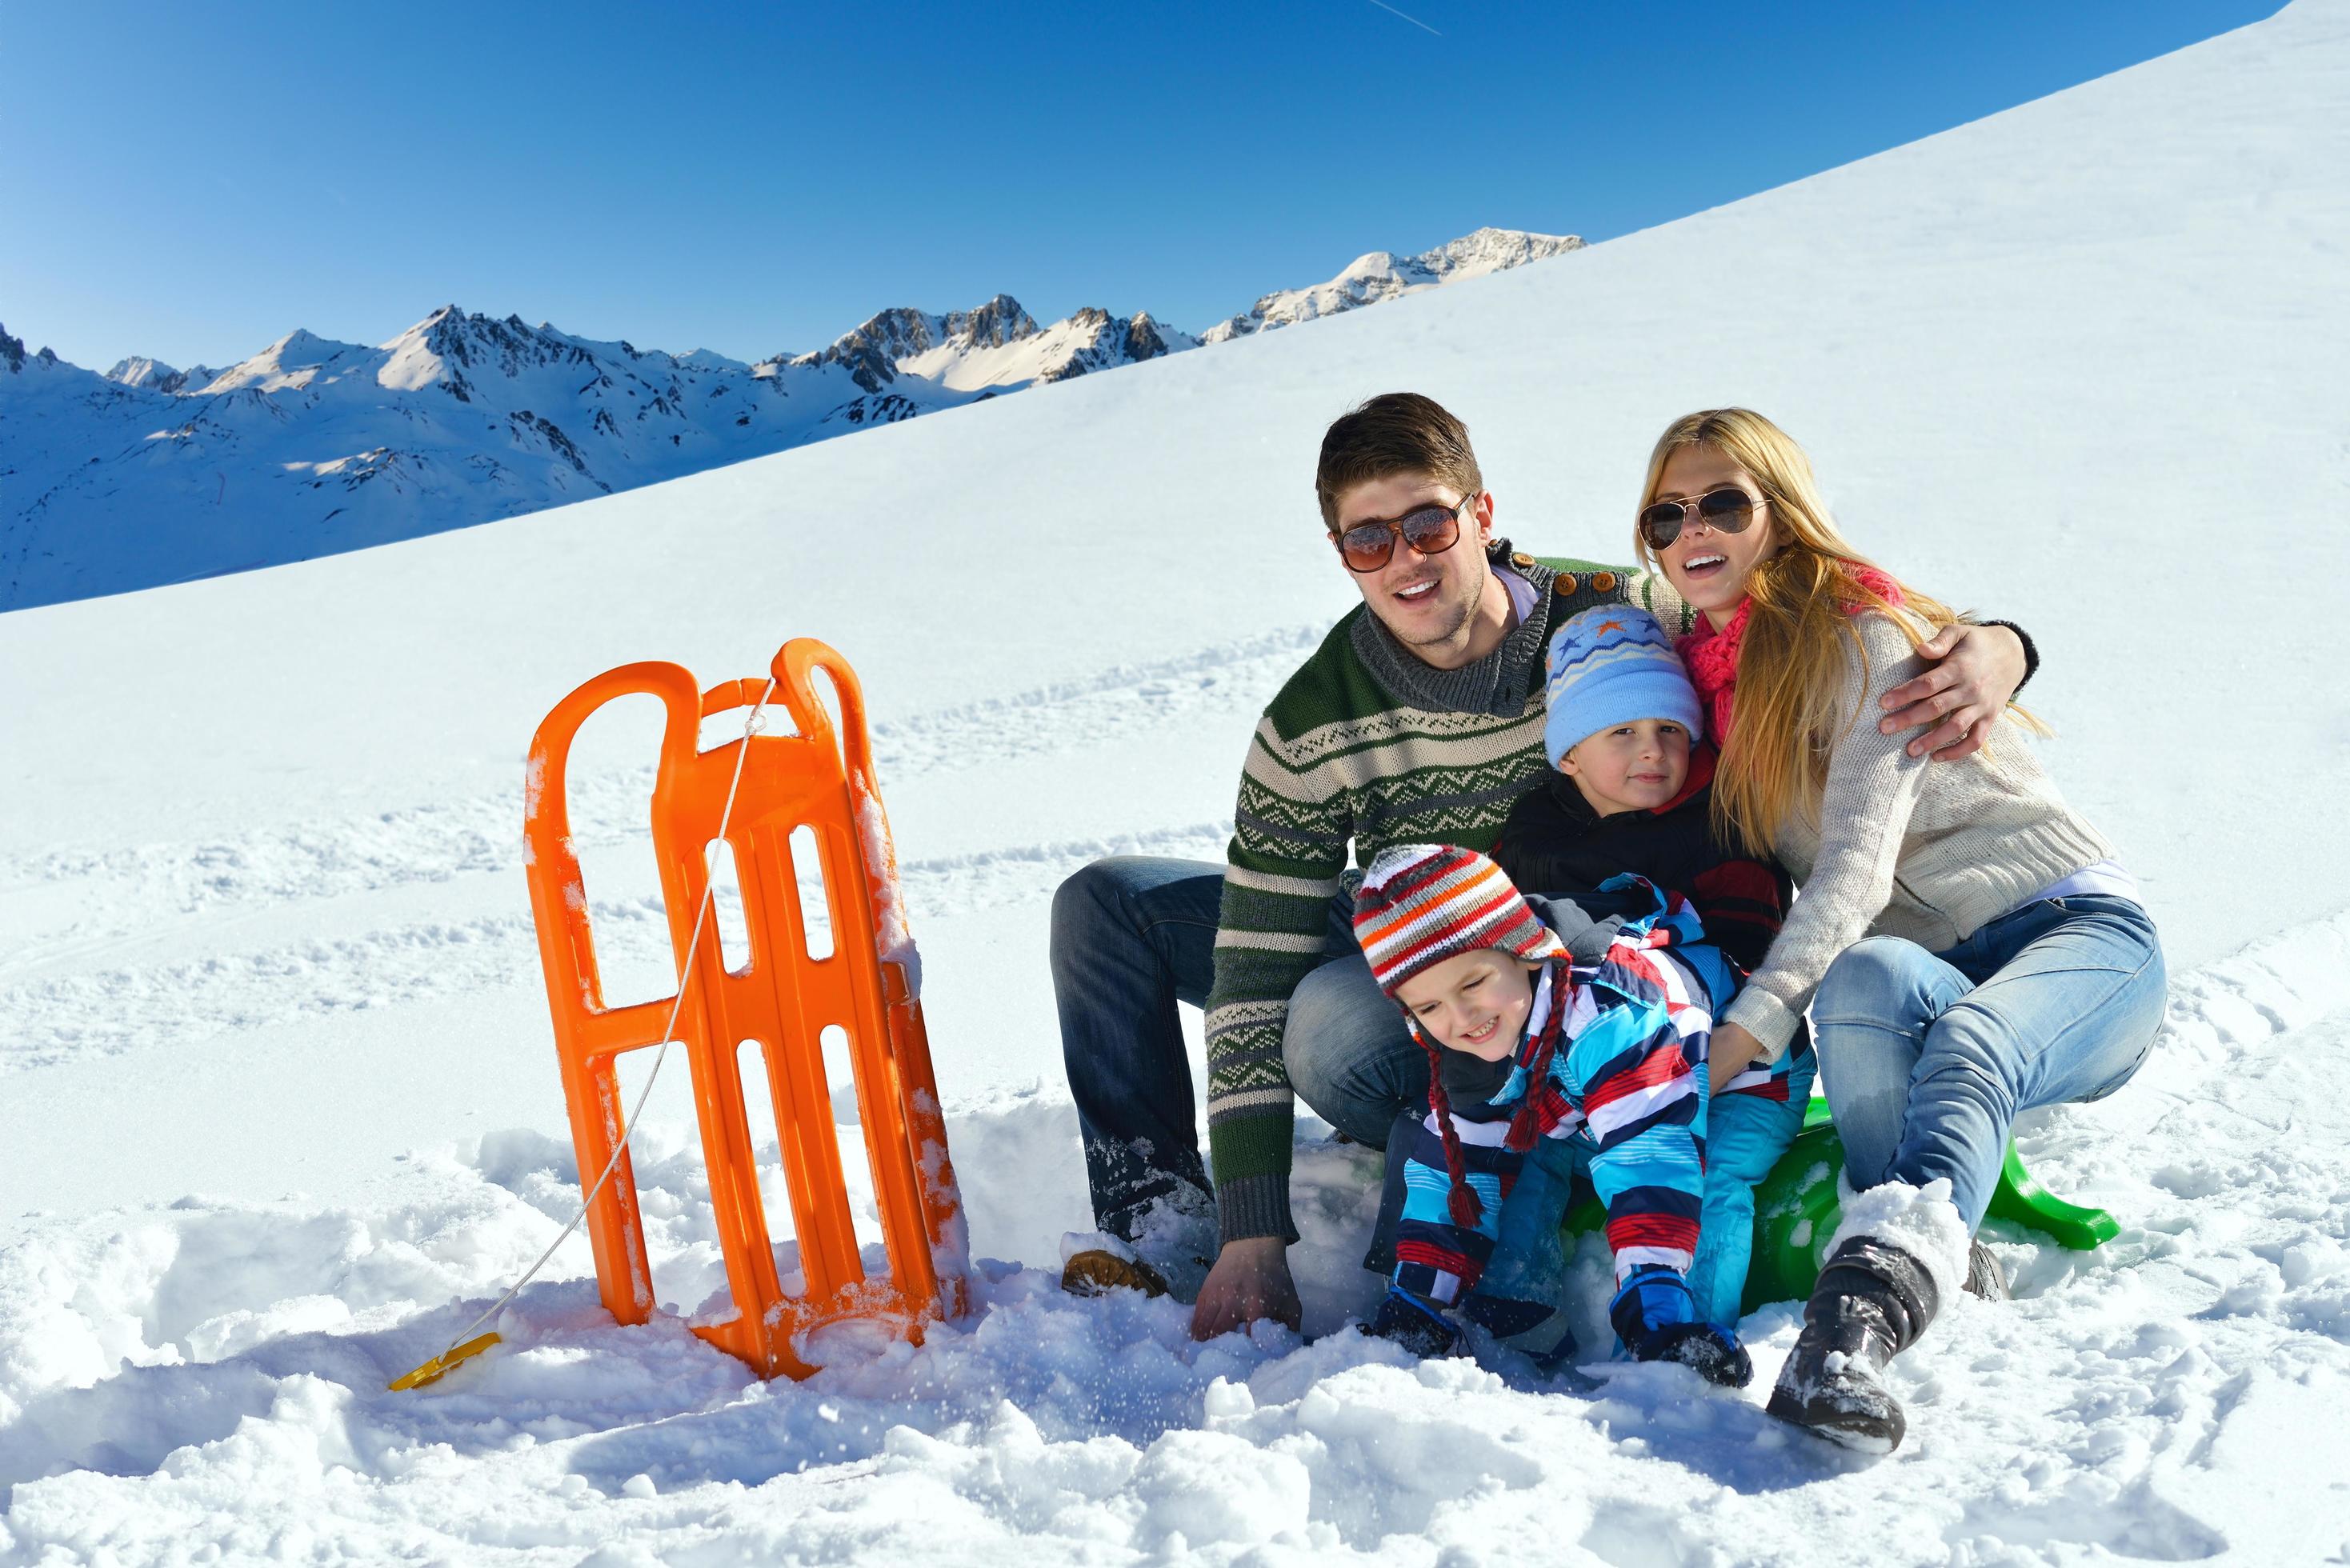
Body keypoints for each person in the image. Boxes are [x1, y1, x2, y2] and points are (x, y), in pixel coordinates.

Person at [1051, 392, 2036, 1340]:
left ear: (1482, 514)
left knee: (1331, 1023)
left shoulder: (1612, 610)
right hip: (1405, 926)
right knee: (1107, 904)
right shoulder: (1314, 719)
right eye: (1369, 539)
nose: (1405, 560)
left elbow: (1777, 615)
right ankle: (1159, 1233)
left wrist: (1999, 646)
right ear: (1343, 555)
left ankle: (1478, 1184)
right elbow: (1255, 960)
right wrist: (1252, 1231)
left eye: (1429, 524)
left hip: (1575, 971)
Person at [1631, 407, 2164, 1451]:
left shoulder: (1860, 632)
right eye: (1664, 515)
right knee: (1865, 981)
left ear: (1778, 515)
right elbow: (1558, 600)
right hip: (1920, 964)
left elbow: (1853, 869)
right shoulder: (1703, 675)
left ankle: (1852, 1331)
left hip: (2074, 932)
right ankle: (1928, 1250)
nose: (1692, 529)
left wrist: (1747, 1032)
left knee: (1967, 1042)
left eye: (1723, 503)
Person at [1489, 605, 1814, 1331]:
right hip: (1595, 1071)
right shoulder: (1534, 837)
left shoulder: (1719, 825)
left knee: (1709, 1173)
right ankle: (1512, 1302)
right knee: (1526, 1145)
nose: (1652, 750)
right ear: (1569, 754)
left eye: (1670, 730)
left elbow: (1757, 961)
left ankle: (1693, 1330)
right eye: (1622, 732)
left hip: (1740, 1069)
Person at [1350, 842, 1749, 1386]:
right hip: (1581, 1095)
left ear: (1523, 952)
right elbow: (1457, 1166)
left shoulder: (1607, 1010)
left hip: (1733, 1078)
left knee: (1712, 1174)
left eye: (1472, 982)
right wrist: (1420, 1294)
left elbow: (1649, 1147)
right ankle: (1516, 1314)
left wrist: (1650, 1287)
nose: (1461, 1017)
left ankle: (1679, 1332)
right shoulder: (1471, 1038)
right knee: (1514, 1152)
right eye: (1428, 1007)